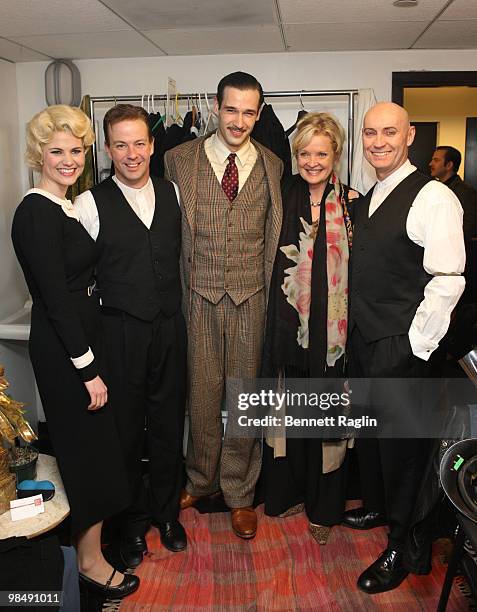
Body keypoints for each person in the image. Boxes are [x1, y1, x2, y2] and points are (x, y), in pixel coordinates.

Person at [11, 105, 139, 599]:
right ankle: (88, 565)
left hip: (84, 337)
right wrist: (87, 369)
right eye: (57, 150)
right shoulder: (35, 210)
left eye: (77, 149)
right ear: (38, 153)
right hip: (67, 348)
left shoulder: (65, 204)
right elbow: (57, 301)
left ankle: (93, 553)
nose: (69, 159)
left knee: (97, 452)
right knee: (86, 456)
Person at [343, 102, 466, 594]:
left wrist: (416, 346)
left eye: (388, 132)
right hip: (367, 338)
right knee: (376, 440)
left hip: (403, 342)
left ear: (409, 135)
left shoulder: (433, 195)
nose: (378, 141)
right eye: (370, 133)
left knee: (407, 450)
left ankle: (405, 545)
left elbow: (448, 277)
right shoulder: (371, 195)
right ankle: (379, 507)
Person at [164, 71, 283, 539]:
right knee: (202, 393)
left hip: (252, 297)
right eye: (231, 109)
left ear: (258, 114)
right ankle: (200, 478)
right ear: (216, 107)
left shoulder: (273, 164)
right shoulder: (178, 159)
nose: (239, 120)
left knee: (245, 398)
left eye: (249, 111)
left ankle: (239, 491)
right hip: (197, 296)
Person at [75, 104, 187, 567]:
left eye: (139, 142)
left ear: (152, 144)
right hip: (119, 331)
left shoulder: (172, 190)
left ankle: (166, 512)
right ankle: (129, 522)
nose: (132, 152)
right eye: (120, 144)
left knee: (167, 424)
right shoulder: (89, 203)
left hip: (169, 326)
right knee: (124, 432)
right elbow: (77, 281)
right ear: (107, 149)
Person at [258, 112, 357, 544]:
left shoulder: (354, 203)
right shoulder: (282, 196)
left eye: (321, 152)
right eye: (304, 152)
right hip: (286, 327)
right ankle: (288, 493)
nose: (312, 161)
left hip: (333, 333)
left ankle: (325, 505)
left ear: (335, 154)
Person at [430, 145, 477, 303]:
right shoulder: (431, 190)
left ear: (449, 165)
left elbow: (466, 231)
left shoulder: (465, 193)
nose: (431, 163)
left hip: (454, 269)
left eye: (436, 160)